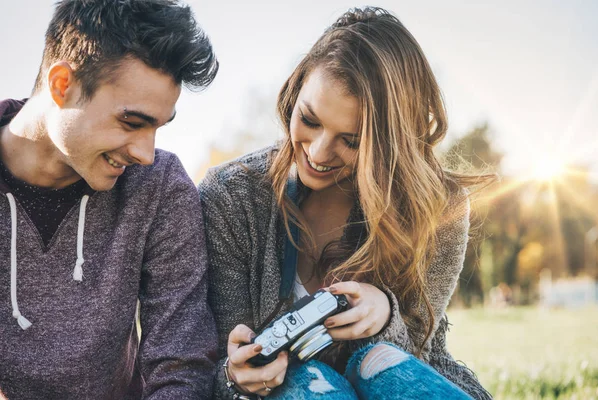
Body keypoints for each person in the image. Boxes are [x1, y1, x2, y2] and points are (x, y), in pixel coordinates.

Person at [199, 6, 493, 400]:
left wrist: (385, 316)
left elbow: (423, 354)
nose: (318, 152)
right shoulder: (231, 197)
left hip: (394, 380)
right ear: (295, 92)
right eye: (309, 119)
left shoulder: (438, 207)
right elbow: (213, 364)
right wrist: (237, 377)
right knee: (305, 382)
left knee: (379, 363)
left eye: (351, 140)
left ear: (391, 145)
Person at [0, 1, 219, 398]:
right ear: (62, 85)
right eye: (132, 123)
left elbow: (181, 363)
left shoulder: (160, 186)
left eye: (157, 127)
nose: (146, 153)